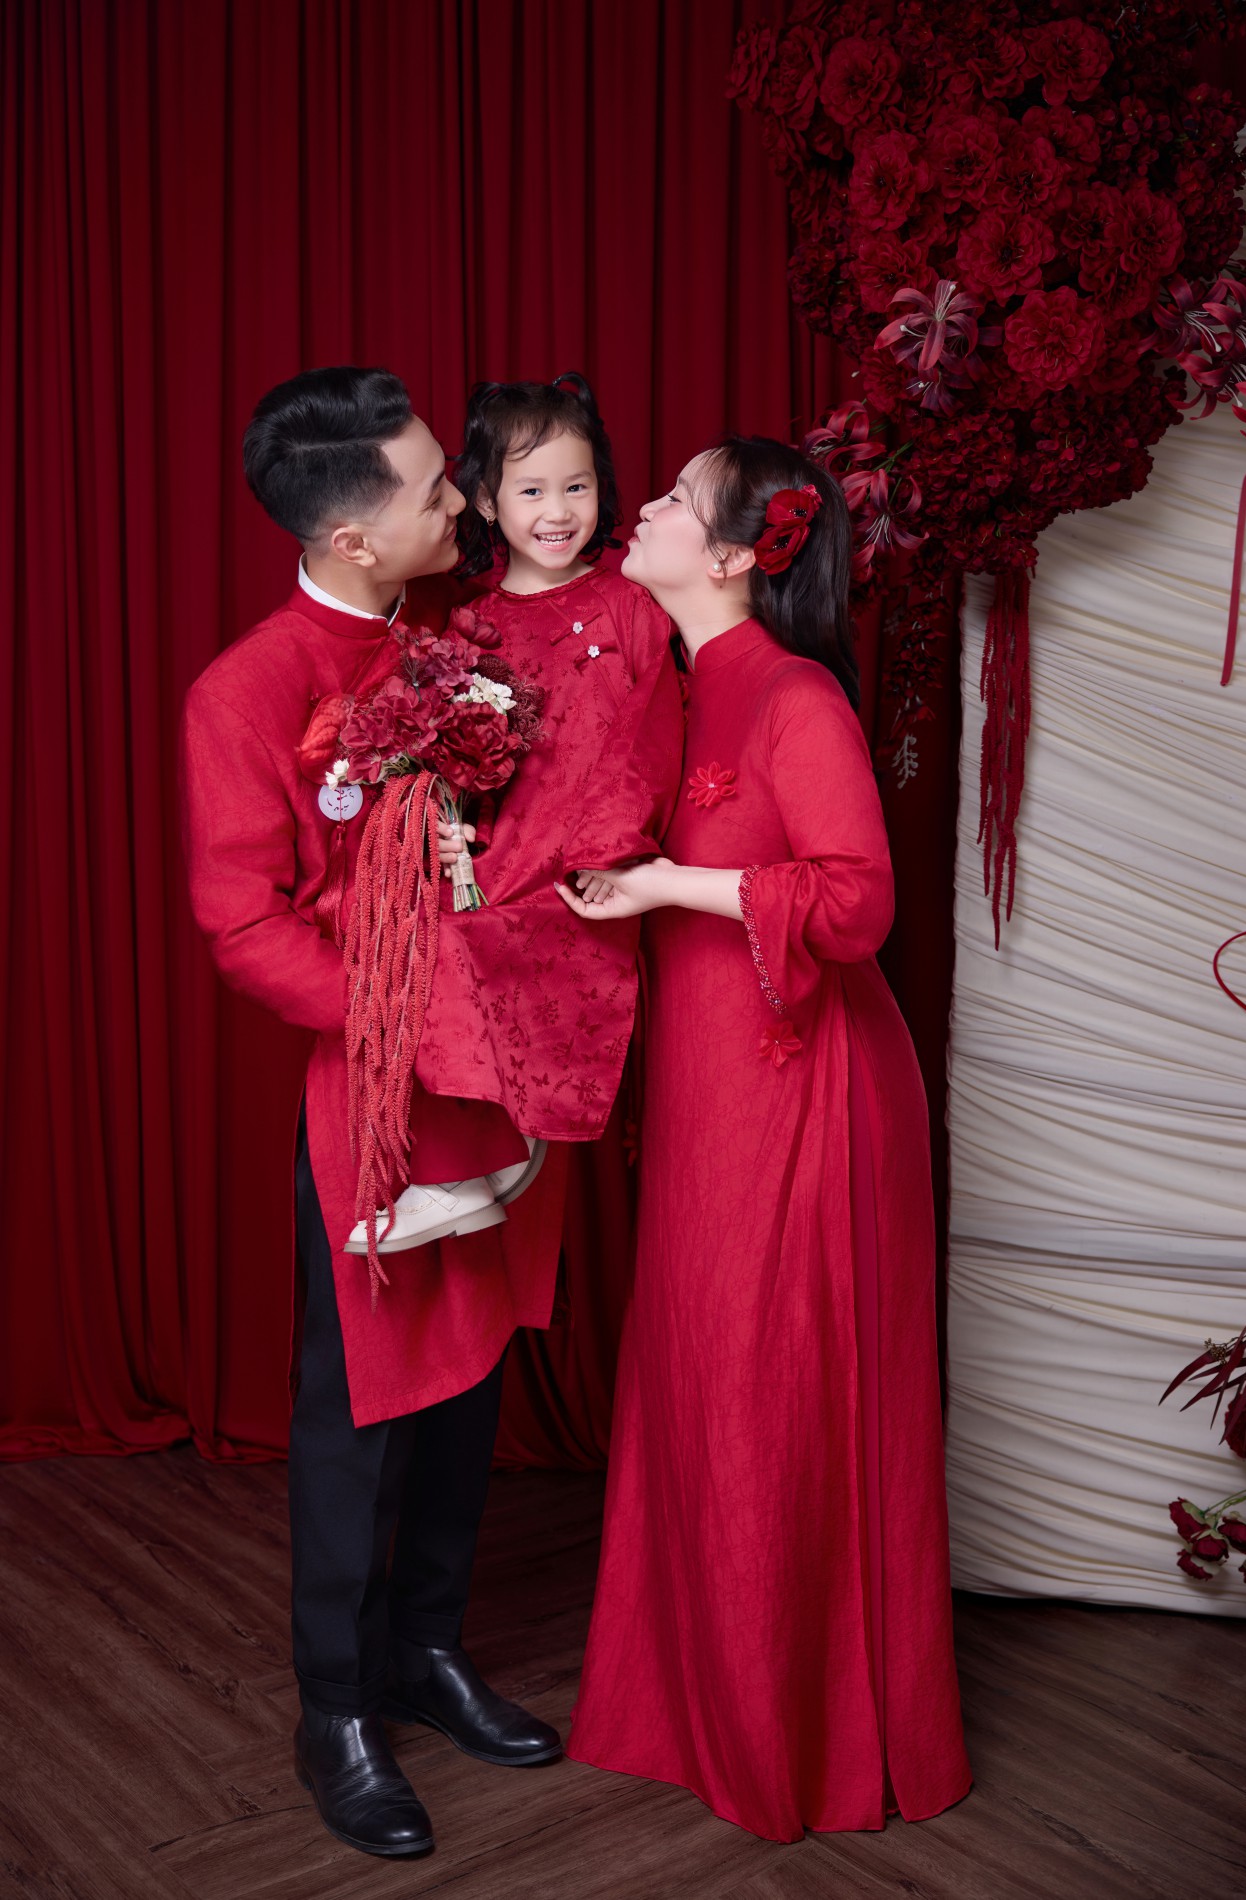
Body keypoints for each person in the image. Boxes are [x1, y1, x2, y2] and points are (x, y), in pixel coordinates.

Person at [557, 437, 973, 1841]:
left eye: (674, 499)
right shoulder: (683, 689)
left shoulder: (793, 694)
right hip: (708, 1087)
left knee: (768, 1392)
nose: (641, 508)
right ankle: (691, 1704)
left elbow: (855, 904)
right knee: (702, 1377)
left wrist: (671, 883)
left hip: (803, 1093)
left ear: (738, 554)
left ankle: (795, 1738)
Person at [180, 366, 564, 1863]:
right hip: (373, 1093)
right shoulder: (248, 690)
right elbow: (242, 924)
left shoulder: (456, 643)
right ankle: (335, 1706)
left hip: (492, 1081)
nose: (463, 501)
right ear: (351, 537)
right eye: (434, 489)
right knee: (358, 1411)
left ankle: (428, 1652)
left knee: (469, 1383)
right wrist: (404, 1011)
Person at [362, 373, 683, 1251]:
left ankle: (493, 1152)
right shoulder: (469, 622)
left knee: (508, 952)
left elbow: (651, 736)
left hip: (588, 859)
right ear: (486, 503)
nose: (558, 510)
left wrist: (609, 848)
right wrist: (445, 828)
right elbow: (446, 755)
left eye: (576, 486)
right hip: (498, 850)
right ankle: (474, 1156)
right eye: (531, 491)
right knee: (427, 944)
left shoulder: (629, 605)